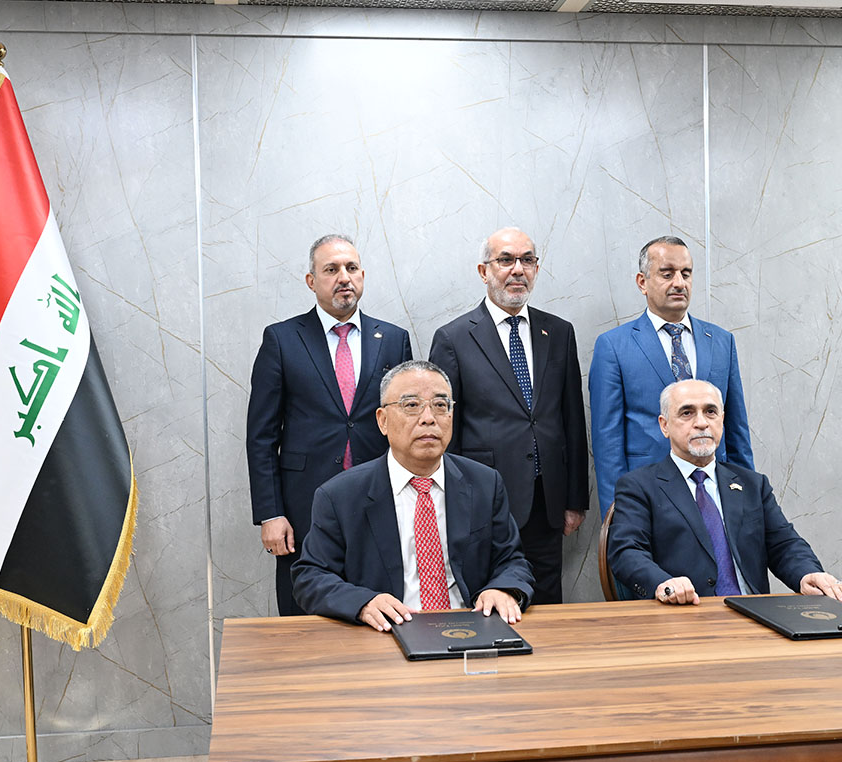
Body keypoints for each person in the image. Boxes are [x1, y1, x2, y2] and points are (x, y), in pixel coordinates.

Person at [609, 379, 842, 762]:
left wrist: (806, 575)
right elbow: (626, 551)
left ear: (722, 420)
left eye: (710, 412)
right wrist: (662, 583)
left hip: (761, 634)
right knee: (680, 747)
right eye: (687, 413)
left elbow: (784, 544)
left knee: (832, 718)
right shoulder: (640, 486)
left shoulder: (751, 484)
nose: (701, 422)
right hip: (683, 640)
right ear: (664, 425)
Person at [291, 360, 534, 630]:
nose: (428, 418)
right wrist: (363, 603)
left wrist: (503, 588)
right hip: (387, 631)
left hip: (470, 628)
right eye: (411, 405)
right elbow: (310, 577)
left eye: (440, 405)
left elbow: (511, 560)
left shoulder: (485, 483)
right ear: (383, 420)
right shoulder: (340, 496)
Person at [246, 234, 412, 616]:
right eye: (331, 269)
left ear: (363, 275)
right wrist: (271, 514)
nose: (344, 277)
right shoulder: (282, 339)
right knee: (304, 614)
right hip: (303, 508)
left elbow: (405, 429)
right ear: (311, 280)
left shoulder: (393, 340)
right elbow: (261, 437)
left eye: (351, 268)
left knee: (381, 612)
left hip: (380, 501)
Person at [429, 227, 588, 605]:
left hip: (545, 501)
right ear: (484, 271)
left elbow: (572, 420)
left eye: (527, 260)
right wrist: (450, 502)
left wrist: (575, 498)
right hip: (482, 500)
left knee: (546, 605)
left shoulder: (559, 332)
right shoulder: (454, 338)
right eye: (506, 260)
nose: (518, 269)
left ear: (536, 269)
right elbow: (444, 428)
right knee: (489, 603)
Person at [589, 235, 754, 518]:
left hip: (714, 495)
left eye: (686, 273)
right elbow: (608, 445)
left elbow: (737, 429)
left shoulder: (721, 341)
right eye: (667, 274)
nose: (679, 283)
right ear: (642, 282)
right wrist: (617, 517)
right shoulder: (614, 346)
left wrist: (748, 503)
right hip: (648, 499)